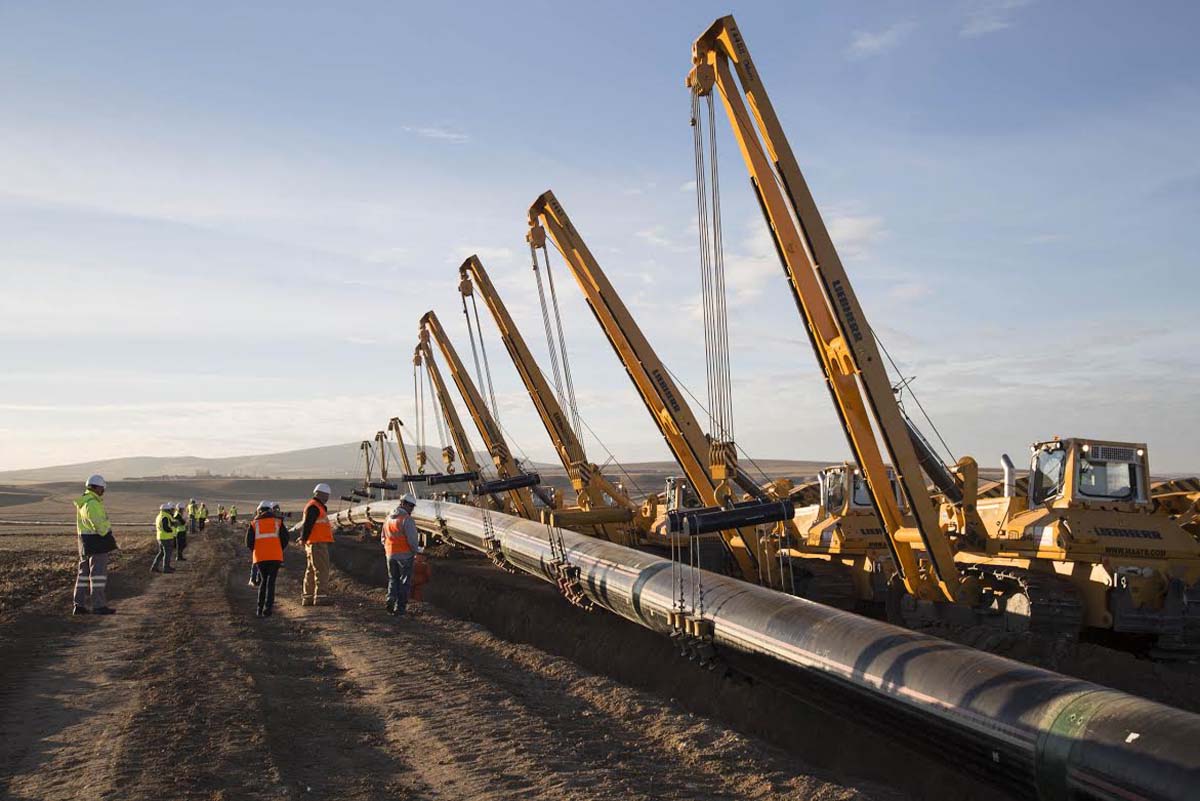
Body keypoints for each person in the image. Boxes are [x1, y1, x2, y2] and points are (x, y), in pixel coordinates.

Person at [72, 474, 118, 615]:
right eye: (102, 488)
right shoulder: (92, 503)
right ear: (96, 487)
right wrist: (107, 532)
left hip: (85, 542)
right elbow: (98, 523)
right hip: (97, 541)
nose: (103, 491)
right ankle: (98, 606)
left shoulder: (84, 501)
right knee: (97, 575)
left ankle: (78, 605)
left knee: (83, 574)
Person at [381, 494, 421, 617]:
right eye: (411, 506)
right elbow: (412, 540)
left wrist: (389, 550)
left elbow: (383, 538)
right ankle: (400, 609)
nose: (412, 509)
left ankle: (390, 600)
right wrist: (416, 551)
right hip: (405, 556)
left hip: (390, 555)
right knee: (404, 582)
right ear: (403, 503)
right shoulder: (406, 519)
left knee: (393, 580)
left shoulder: (388, 518)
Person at [246, 500, 288, 617]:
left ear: (259, 510)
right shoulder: (278, 522)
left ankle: (259, 609)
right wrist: (278, 548)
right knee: (271, 582)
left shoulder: (254, 523)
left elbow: (248, 542)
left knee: (263, 581)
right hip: (275, 556)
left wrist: (257, 550)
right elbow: (285, 538)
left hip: (260, 557)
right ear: (270, 510)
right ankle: (268, 609)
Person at [299, 483, 334, 606]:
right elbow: (308, 525)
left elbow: (307, 525)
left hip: (313, 543)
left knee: (311, 570)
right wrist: (303, 538)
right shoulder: (315, 507)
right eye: (326, 495)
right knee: (321, 570)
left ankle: (308, 597)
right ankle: (321, 597)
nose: (327, 498)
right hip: (317, 544)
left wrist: (304, 540)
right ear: (320, 494)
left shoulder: (314, 506)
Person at [151, 502, 177, 573]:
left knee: (161, 553)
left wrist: (172, 524)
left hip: (160, 537)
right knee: (167, 553)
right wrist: (171, 529)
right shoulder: (165, 516)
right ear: (167, 510)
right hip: (166, 537)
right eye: (169, 510)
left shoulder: (159, 516)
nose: (170, 511)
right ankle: (166, 568)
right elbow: (166, 527)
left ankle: (154, 567)